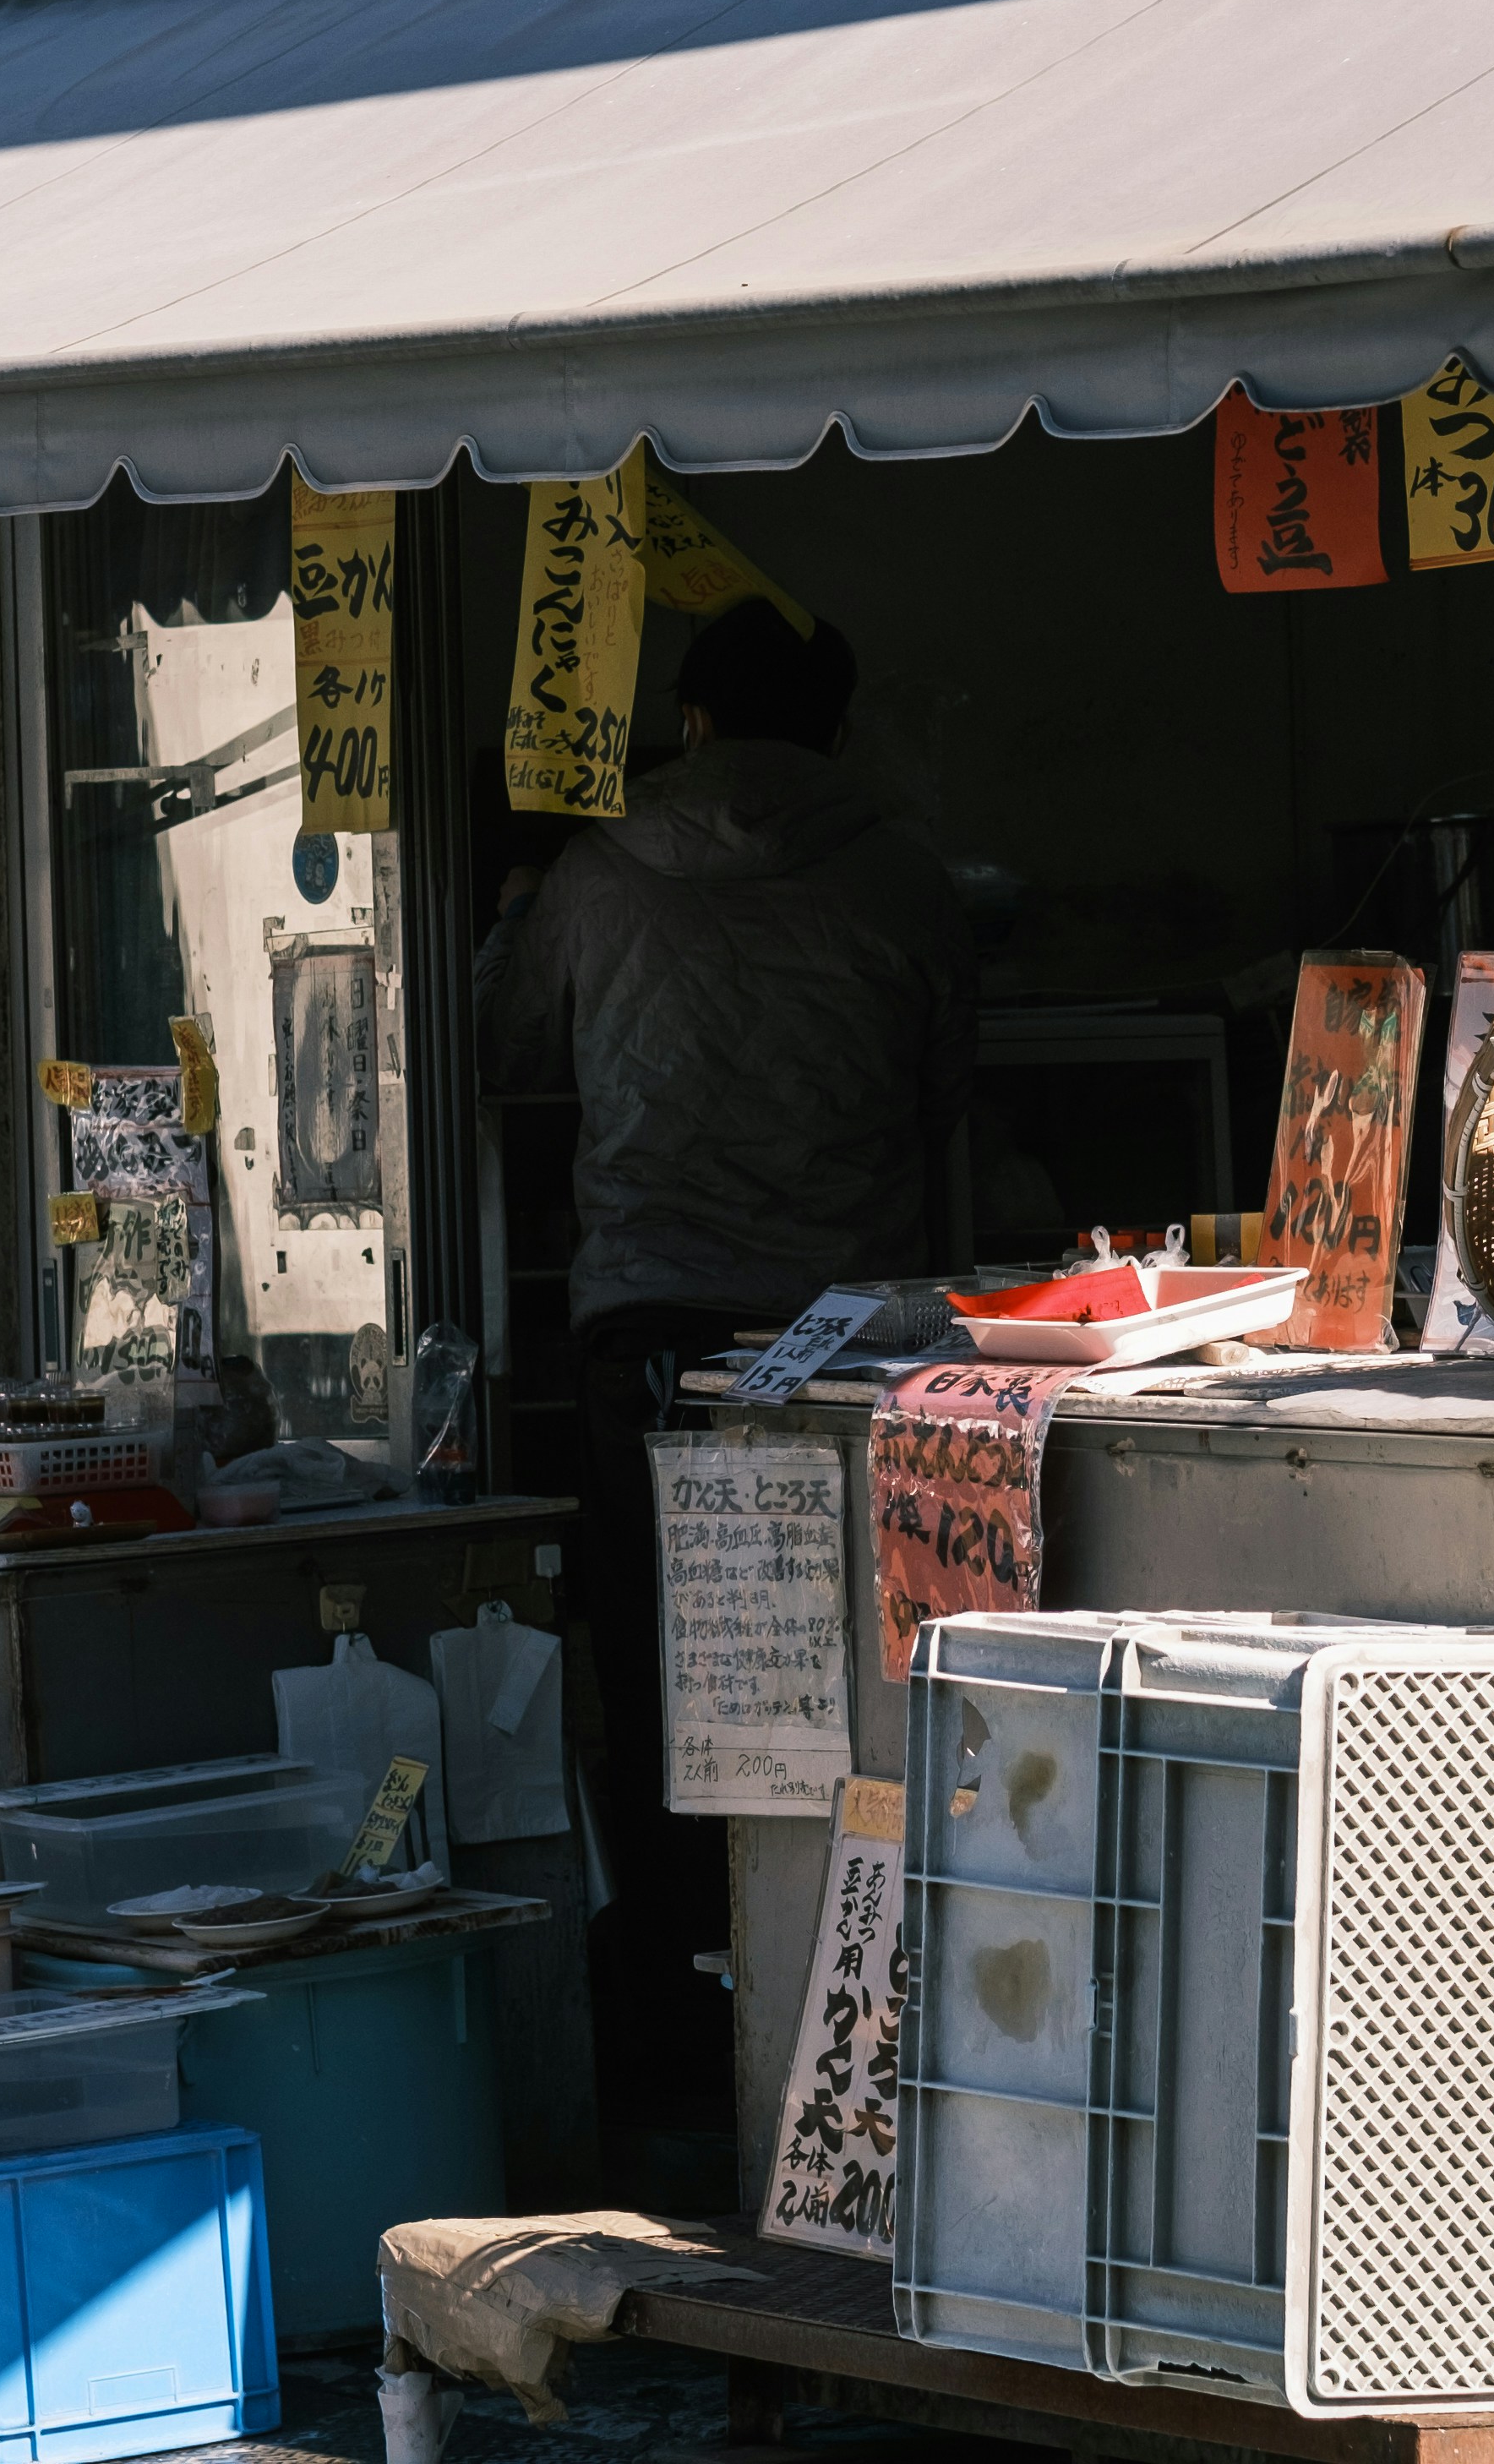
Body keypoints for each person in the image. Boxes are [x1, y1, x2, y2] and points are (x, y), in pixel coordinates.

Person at [472, 598, 973, 2132]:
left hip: (655, 1341)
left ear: (688, 725)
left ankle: (689, 2071)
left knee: (671, 1690)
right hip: (851, 1351)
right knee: (869, 1694)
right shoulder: (903, 873)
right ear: (828, 726)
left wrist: (512, 915)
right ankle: (859, 2066)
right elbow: (950, 1088)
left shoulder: (599, 871)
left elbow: (502, 1056)